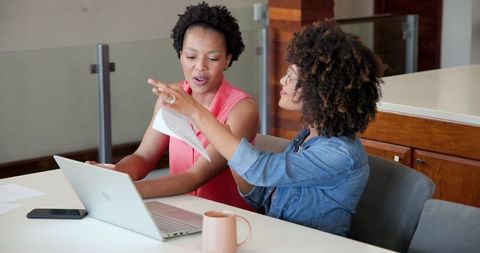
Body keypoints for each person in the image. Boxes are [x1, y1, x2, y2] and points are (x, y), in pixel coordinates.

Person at [149, 19, 385, 236]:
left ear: (319, 90)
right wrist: (230, 139)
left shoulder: (339, 154)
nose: (282, 81)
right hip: (279, 239)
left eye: (291, 77)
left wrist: (194, 111)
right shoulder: (306, 138)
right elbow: (260, 195)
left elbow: (260, 170)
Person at [88, 2, 258, 210]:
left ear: (227, 60)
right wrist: (111, 175)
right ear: (180, 55)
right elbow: (143, 158)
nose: (200, 67)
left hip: (228, 220)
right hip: (181, 213)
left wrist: (125, 189)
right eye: (191, 56)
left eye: (213, 58)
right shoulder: (170, 98)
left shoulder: (242, 109)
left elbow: (194, 177)